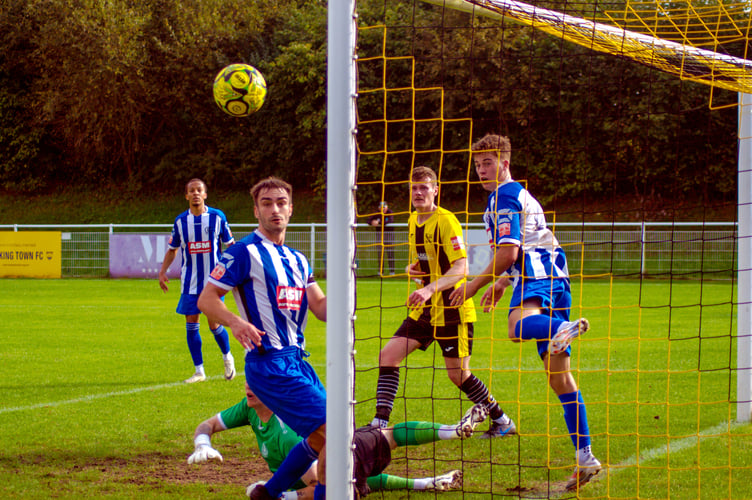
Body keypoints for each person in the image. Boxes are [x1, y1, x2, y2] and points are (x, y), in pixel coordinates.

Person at [448, 134, 601, 491]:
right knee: (559, 378)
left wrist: (473, 286)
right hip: (554, 276)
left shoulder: (502, 196)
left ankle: (561, 327)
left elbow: (510, 253)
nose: (482, 170)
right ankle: (586, 457)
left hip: (537, 272)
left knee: (517, 326)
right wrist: (502, 284)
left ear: (505, 162)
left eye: (488, 162)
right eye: (477, 164)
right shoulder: (519, 194)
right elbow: (524, 244)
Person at [197, 177, 328, 500]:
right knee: (336, 432)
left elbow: (322, 308)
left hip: (297, 361)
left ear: (291, 209)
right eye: (267, 203)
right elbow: (207, 299)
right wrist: (236, 322)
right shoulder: (244, 252)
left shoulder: (298, 259)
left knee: (322, 439)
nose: (275, 209)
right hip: (269, 363)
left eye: (281, 203)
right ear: (256, 210)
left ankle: (269, 494)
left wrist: (347, 287)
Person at [371, 166, 515, 439]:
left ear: (436, 190)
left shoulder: (446, 220)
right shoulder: (413, 220)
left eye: (424, 187)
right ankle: (379, 424)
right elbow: (427, 262)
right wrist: (412, 269)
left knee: (458, 375)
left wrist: (429, 290)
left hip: (452, 308)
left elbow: (461, 268)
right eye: (414, 188)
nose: (418, 193)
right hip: (425, 310)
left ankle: (502, 420)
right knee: (388, 356)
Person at [187, 383, 489, 499]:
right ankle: (427, 479)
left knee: (373, 449)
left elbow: (319, 482)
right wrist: (203, 443)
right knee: (378, 449)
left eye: (257, 382)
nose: (249, 387)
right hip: (339, 460)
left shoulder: (288, 434)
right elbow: (209, 423)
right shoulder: (249, 407)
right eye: (249, 379)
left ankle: (447, 438)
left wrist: (275, 495)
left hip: (338, 461)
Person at [158, 178, 236, 384]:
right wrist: (163, 271)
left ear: (205, 194)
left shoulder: (217, 217)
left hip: (213, 283)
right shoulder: (180, 222)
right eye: (191, 191)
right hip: (190, 283)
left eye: (198, 190)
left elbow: (231, 245)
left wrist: (233, 271)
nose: (195, 194)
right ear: (186, 196)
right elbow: (173, 249)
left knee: (213, 324)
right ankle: (199, 371)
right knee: (191, 323)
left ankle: (227, 356)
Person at [367, 200, 395, 275]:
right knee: (380, 254)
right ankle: (380, 271)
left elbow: (390, 221)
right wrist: (372, 222)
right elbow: (368, 220)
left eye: (384, 207)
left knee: (390, 253)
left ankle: (392, 271)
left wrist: (379, 222)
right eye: (381, 207)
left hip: (389, 235)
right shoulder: (377, 213)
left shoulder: (390, 212)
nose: (382, 209)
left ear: (387, 207)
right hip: (380, 235)